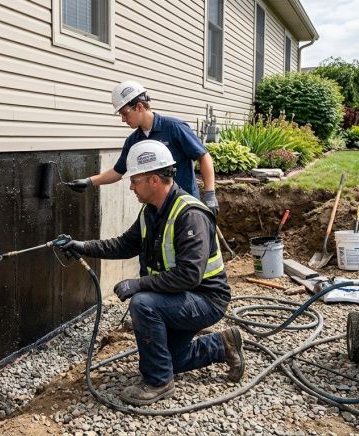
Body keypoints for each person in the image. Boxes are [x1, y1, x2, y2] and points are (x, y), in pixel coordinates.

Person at [58, 139, 243, 406]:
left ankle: (158, 382)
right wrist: (82, 247)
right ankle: (222, 344)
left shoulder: (189, 215)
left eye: (135, 180)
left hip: (206, 299)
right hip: (179, 295)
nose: (131, 186)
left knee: (143, 303)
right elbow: (124, 244)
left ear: (154, 180)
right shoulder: (151, 211)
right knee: (171, 358)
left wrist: (139, 284)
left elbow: (189, 275)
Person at [67, 80, 219, 216]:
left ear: (139, 106)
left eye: (125, 113)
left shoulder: (174, 128)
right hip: (156, 208)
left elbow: (203, 156)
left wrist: (210, 194)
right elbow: (118, 171)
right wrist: (89, 181)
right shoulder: (133, 141)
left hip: (184, 206)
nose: (123, 119)